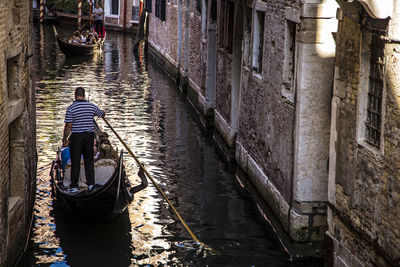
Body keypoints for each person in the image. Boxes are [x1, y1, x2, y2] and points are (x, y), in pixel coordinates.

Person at [62, 87, 106, 193]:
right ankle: (91, 185)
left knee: (75, 161)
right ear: (84, 95)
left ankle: (74, 186)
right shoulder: (91, 106)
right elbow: (101, 114)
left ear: (75, 95)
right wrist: (103, 112)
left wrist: (65, 139)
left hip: (76, 137)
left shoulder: (71, 108)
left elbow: (68, 125)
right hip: (89, 137)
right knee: (89, 161)